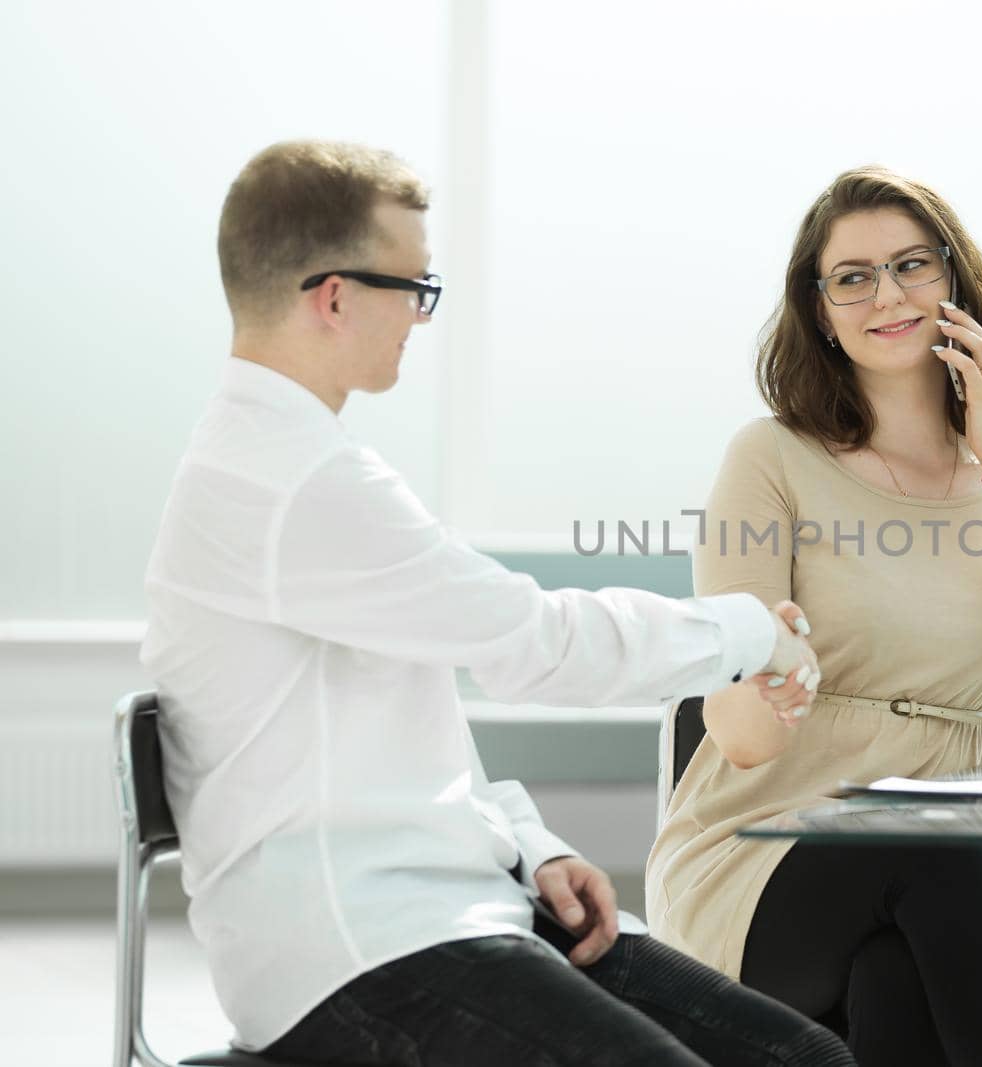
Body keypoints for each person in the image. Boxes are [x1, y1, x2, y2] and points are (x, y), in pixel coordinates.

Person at [140, 139, 853, 1067]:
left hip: (460, 907)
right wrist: (751, 629)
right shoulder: (288, 483)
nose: (421, 317)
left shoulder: (302, 468)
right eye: (414, 288)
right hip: (357, 954)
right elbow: (535, 642)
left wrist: (528, 843)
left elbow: (405, 725)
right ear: (335, 295)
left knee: (809, 1059)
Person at [645, 165, 982, 1066]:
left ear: (954, 280)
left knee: (894, 976)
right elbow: (741, 738)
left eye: (912, 265)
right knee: (929, 850)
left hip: (946, 881)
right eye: (852, 277)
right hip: (762, 854)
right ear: (821, 311)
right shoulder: (771, 459)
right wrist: (764, 671)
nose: (887, 294)